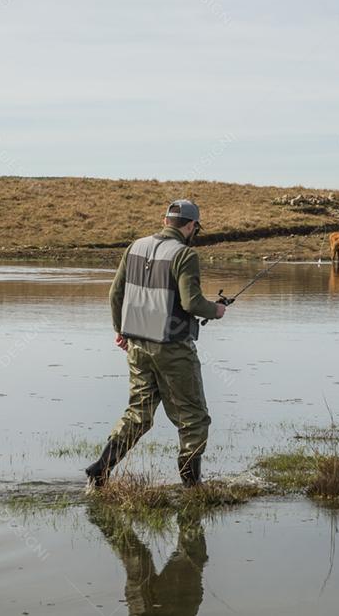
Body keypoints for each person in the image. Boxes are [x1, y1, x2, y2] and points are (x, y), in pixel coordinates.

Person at [85, 199, 227, 490]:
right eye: (195, 228)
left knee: (138, 413)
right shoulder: (185, 254)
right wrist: (216, 309)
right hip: (172, 348)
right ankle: (192, 486)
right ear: (191, 226)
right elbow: (191, 303)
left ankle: (100, 469)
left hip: (137, 345)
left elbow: (115, 294)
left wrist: (121, 331)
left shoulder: (135, 247)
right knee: (193, 418)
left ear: (165, 221)